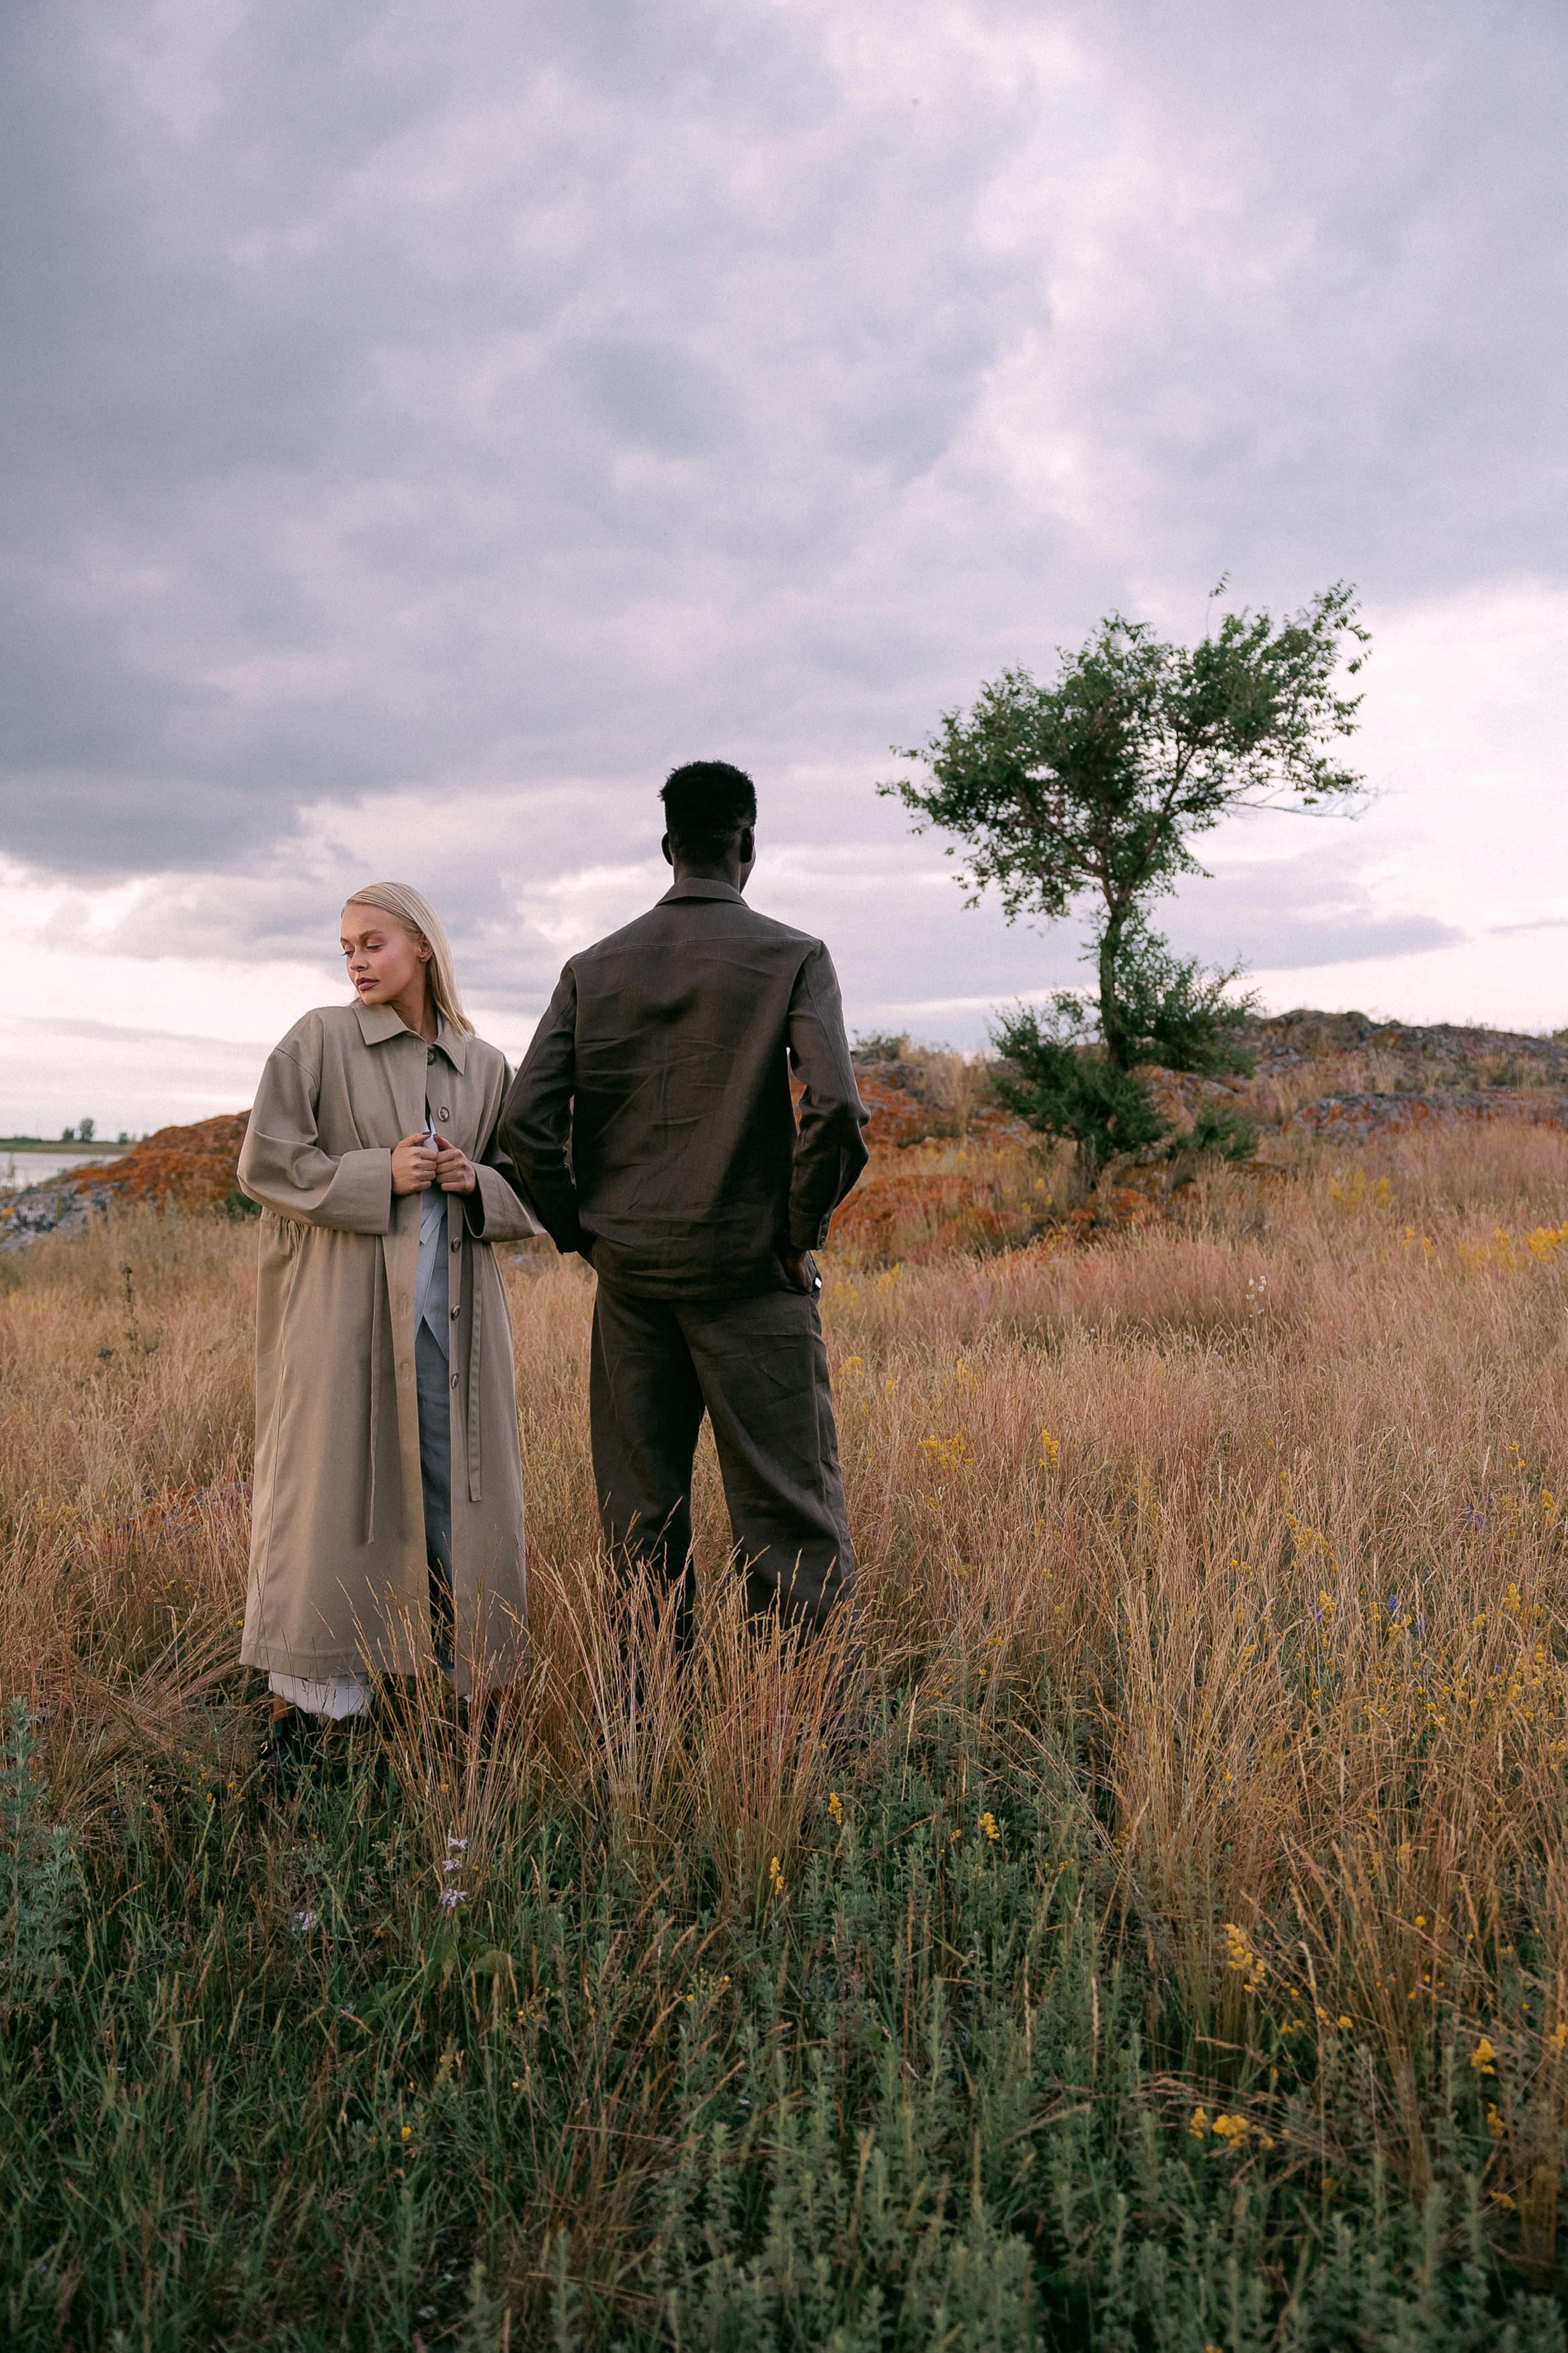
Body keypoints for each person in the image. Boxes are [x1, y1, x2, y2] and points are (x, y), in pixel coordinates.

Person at [501, 760, 868, 1643]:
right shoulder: (791, 957)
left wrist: (583, 1234)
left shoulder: (593, 969)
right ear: (745, 845)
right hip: (752, 1271)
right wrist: (796, 1232)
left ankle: (644, 1729)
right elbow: (838, 1109)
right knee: (786, 1515)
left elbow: (524, 1120)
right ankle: (795, 1735)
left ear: (668, 849)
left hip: (631, 1276)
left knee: (639, 1520)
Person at [236, 883, 539, 1771]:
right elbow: (267, 1162)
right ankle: (318, 1711)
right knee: (332, 1500)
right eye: (346, 949)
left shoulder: (484, 1067)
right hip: (343, 1323)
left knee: (465, 1508)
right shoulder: (318, 1041)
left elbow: (536, 1186)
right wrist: (383, 1172)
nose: (358, 962)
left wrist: (471, 1182)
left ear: (424, 948)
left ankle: (469, 1696)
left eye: (373, 943)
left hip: (458, 1331)